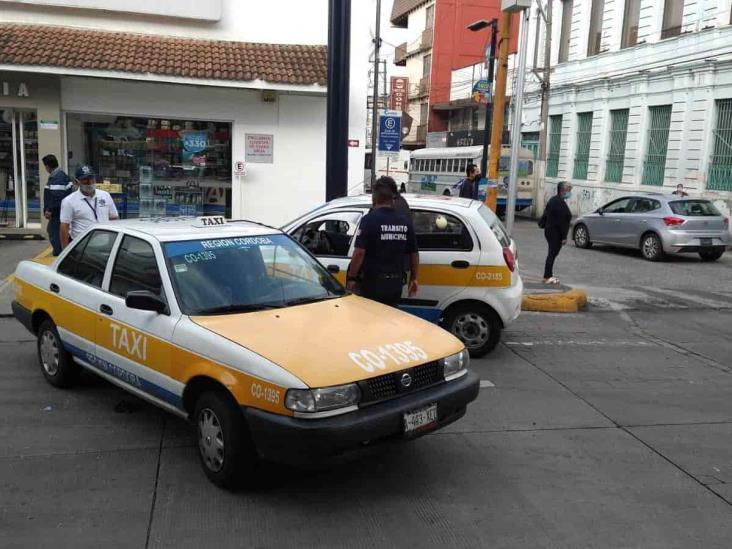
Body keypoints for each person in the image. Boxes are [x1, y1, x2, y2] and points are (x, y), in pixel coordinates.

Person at [346, 181, 419, 307]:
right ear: (392, 201)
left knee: (370, 318)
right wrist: (414, 278)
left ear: (374, 199)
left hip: (372, 283)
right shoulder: (405, 222)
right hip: (395, 284)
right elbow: (414, 253)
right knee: (389, 318)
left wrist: (352, 278)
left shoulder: (368, 220)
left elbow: (359, 252)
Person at [60, 165, 119, 249]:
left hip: (106, 244)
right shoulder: (69, 201)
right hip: (82, 247)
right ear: (77, 182)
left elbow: (114, 218)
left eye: (91, 178)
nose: (89, 182)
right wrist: (64, 250)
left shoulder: (105, 195)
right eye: (85, 180)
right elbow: (64, 226)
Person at [540, 181, 572, 285]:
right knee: (552, 254)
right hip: (555, 233)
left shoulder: (554, 200)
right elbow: (561, 222)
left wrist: (543, 224)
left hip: (550, 231)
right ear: (562, 190)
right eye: (569, 190)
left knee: (552, 253)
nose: (570, 192)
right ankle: (547, 276)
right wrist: (564, 237)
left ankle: (548, 275)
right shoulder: (559, 203)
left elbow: (546, 214)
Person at [41, 154, 73, 256]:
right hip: (60, 211)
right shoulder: (60, 175)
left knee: (54, 232)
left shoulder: (57, 177)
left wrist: (49, 210)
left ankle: (59, 254)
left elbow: (56, 196)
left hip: (57, 212)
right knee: (56, 232)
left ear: (47, 166)